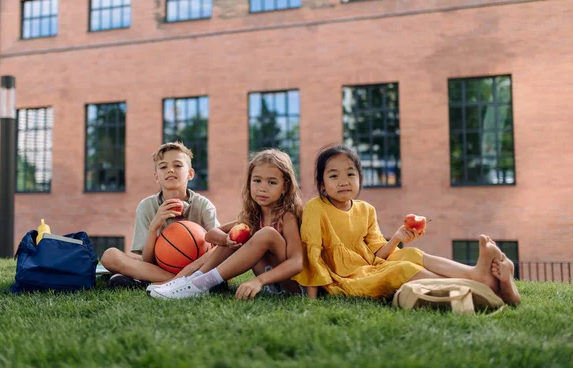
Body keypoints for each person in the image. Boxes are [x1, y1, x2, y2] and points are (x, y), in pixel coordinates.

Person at [293, 144, 521, 305]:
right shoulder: (316, 208)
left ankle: (475, 274)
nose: (344, 181)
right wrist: (313, 299)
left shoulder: (366, 210)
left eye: (350, 174)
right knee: (403, 268)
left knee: (410, 253)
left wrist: (398, 238)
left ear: (360, 179)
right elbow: (311, 254)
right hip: (346, 280)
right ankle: (480, 286)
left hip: (372, 266)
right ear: (322, 185)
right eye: (333, 176)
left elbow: (378, 254)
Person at [150, 149, 303, 300]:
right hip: (271, 282)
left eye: (272, 182)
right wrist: (226, 240)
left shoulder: (287, 216)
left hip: (290, 284)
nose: (262, 188)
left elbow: (297, 262)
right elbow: (210, 235)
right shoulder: (254, 217)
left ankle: (201, 284)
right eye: (257, 180)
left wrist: (259, 281)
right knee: (237, 235)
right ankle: (194, 281)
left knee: (267, 233)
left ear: (285, 187)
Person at [100, 142, 220, 289]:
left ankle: (151, 282)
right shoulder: (146, 206)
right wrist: (154, 226)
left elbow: (220, 248)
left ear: (190, 174)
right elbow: (147, 260)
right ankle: (177, 282)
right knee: (110, 255)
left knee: (219, 256)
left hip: (195, 266)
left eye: (177, 165)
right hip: (159, 267)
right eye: (163, 167)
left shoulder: (203, 205)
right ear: (156, 176)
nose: (170, 170)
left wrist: (189, 269)